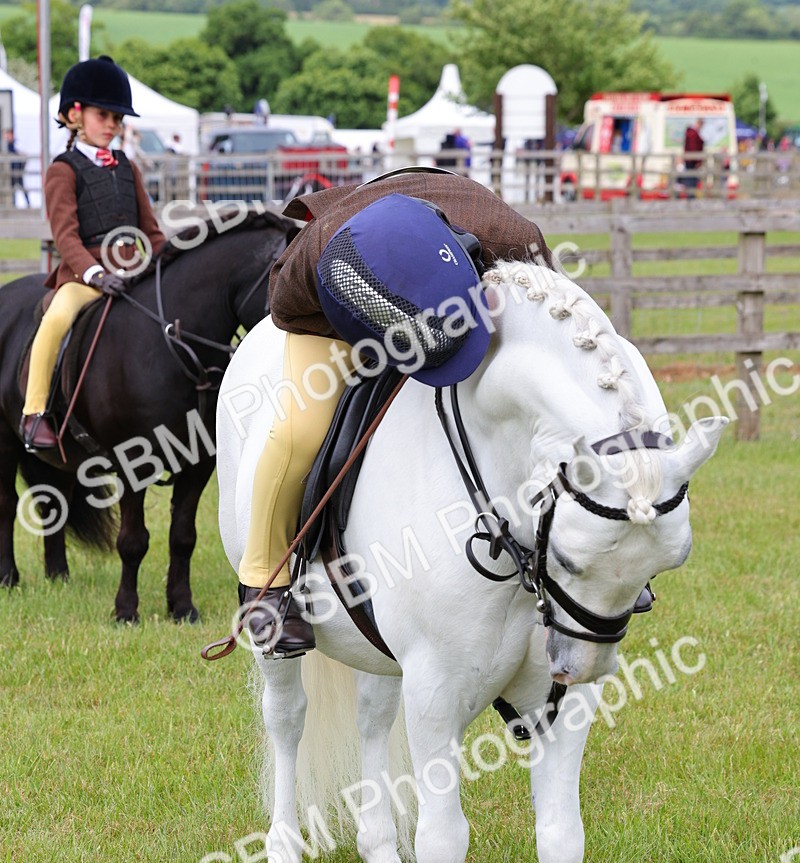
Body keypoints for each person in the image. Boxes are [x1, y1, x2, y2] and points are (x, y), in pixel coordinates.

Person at [238, 170, 553, 656]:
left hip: (458, 292)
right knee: (300, 429)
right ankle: (264, 588)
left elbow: (555, 330)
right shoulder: (311, 264)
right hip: (333, 310)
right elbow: (291, 316)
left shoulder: (518, 244)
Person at [19, 56, 166, 451]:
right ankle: (34, 413)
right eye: (105, 115)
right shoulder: (62, 170)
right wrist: (96, 275)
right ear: (74, 114)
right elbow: (65, 237)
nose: (113, 126)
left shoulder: (127, 167)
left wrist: (168, 265)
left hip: (132, 274)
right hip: (84, 279)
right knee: (57, 318)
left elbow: (150, 232)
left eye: (118, 119)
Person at [4, 129, 30, 206]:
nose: (7, 137)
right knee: (12, 188)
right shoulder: (8, 145)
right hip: (12, 170)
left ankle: (28, 204)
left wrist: (22, 167)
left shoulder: (16, 144)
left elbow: (23, 154)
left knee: (21, 187)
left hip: (17, 170)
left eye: (8, 135)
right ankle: (11, 205)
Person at [683, 118, 705, 197]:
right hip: (692, 161)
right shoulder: (693, 133)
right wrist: (697, 161)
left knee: (691, 180)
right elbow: (693, 148)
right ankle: (690, 199)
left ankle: (690, 198)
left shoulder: (692, 133)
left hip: (690, 160)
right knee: (691, 180)